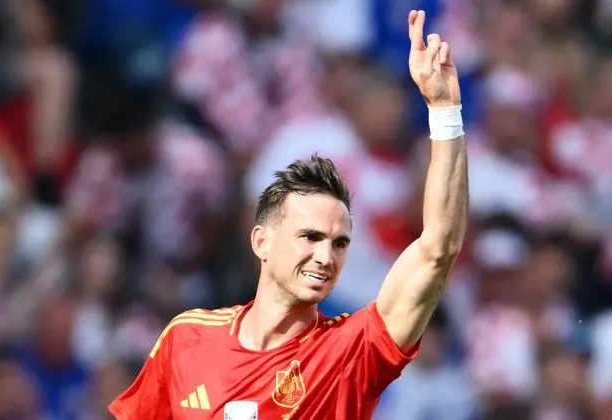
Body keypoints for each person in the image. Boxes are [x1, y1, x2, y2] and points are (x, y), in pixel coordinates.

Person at [109, 9, 468, 419]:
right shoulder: (187, 338)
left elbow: (438, 247)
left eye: (339, 243)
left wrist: (444, 112)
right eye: (310, 237)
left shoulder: (349, 354)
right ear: (261, 240)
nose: (325, 256)